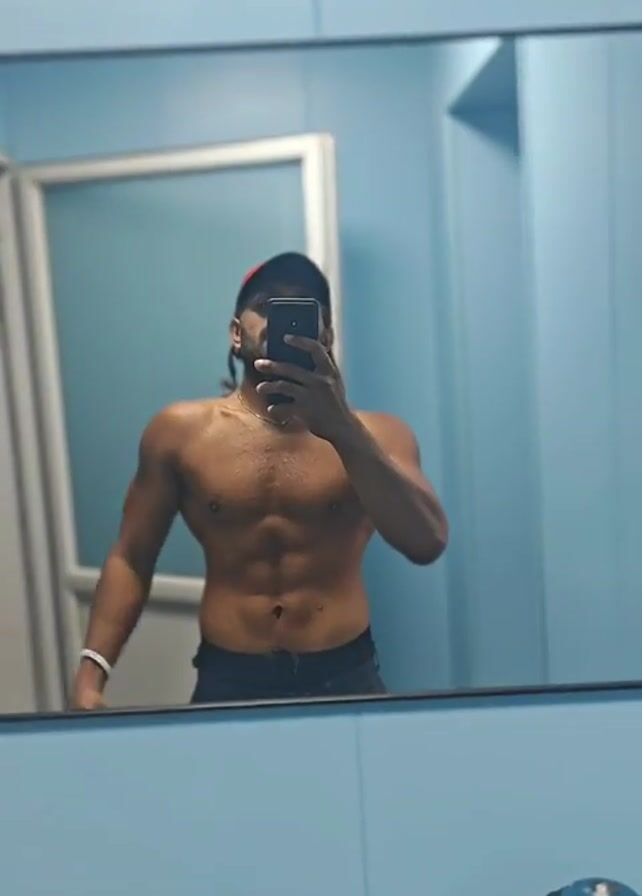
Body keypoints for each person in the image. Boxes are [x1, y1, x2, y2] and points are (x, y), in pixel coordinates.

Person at [72, 252, 448, 709]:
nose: (279, 321)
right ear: (236, 333)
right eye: (267, 306)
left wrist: (342, 430)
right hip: (229, 675)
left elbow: (427, 542)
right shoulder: (180, 433)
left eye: (303, 309)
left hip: (344, 673)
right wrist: (91, 674)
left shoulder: (379, 436)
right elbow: (132, 557)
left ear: (326, 336)